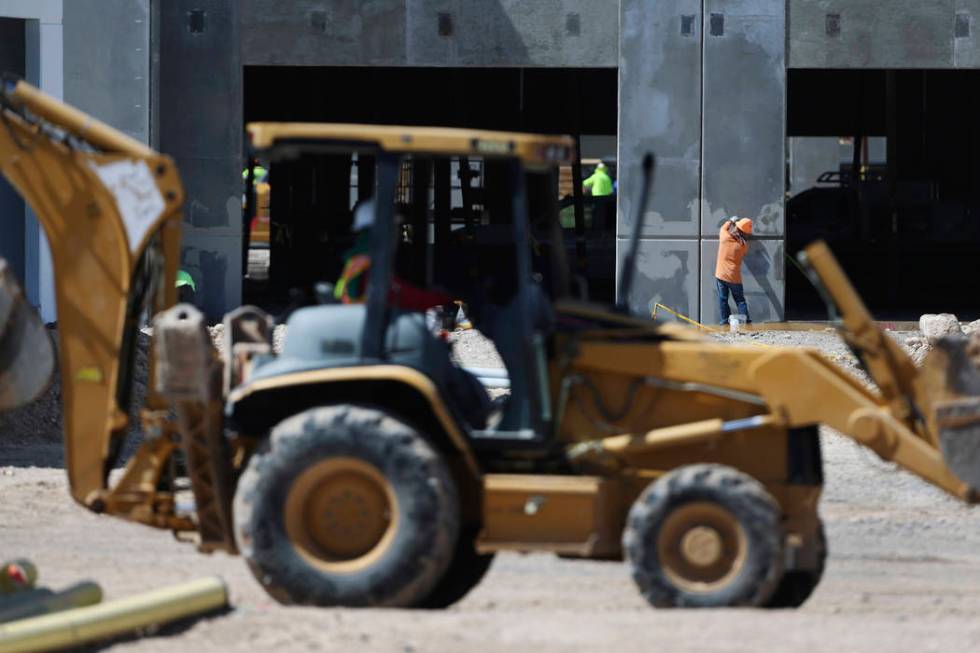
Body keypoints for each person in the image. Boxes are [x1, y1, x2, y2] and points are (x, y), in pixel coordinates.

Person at [334, 200, 451, 311]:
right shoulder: (372, 263)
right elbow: (402, 296)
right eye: (395, 228)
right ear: (384, 230)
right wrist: (445, 299)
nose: (398, 234)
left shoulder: (357, 260)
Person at [715, 217, 753, 326]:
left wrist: (731, 221)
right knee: (740, 301)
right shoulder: (743, 245)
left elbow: (723, 228)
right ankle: (746, 322)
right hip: (735, 278)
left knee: (723, 299)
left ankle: (724, 322)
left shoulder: (724, 237)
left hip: (721, 275)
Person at [583, 162, 615, 231]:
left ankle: (596, 230)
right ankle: (603, 230)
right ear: (604, 169)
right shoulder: (607, 177)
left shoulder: (596, 176)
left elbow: (585, 183)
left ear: (597, 168)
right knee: (604, 216)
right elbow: (610, 191)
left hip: (597, 199)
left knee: (596, 216)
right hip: (606, 200)